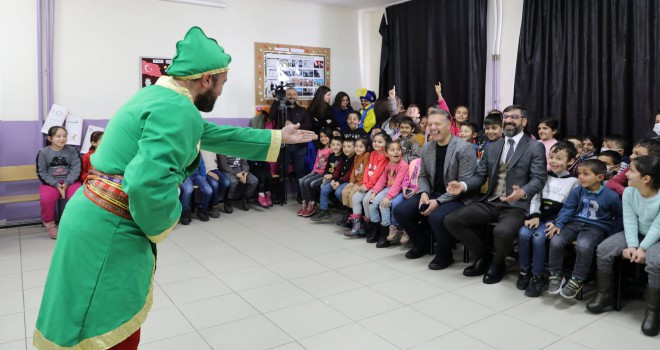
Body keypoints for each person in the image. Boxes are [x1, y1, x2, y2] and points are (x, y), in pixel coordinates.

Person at [33, 27, 316, 350]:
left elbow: (206, 132)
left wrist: (276, 137)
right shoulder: (176, 108)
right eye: (222, 83)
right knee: (102, 329)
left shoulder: (159, 96)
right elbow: (145, 183)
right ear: (206, 79)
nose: (222, 91)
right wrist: (165, 219)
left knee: (78, 316)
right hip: (109, 228)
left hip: (92, 213)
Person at [444, 105, 547, 284]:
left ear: (523, 121)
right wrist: (462, 185)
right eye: (505, 117)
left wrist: (523, 192)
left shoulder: (534, 147)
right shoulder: (493, 146)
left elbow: (539, 179)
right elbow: (479, 175)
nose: (508, 120)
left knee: (501, 232)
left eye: (513, 117)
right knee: (451, 220)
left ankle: (498, 264)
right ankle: (484, 256)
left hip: (516, 206)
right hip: (491, 201)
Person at [393, 109, 476, 268]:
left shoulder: (464, 148)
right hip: (432, 192)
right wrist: (424, 193)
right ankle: (421, 243)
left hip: (458, 197)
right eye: (430, 124)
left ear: (449, 126)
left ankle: (445, 255)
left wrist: (438, 201)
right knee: (400, 211)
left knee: (436, 216)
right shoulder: (428, 147)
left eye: (437, 123)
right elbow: (422, 176)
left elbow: (465, 183)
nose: (432, 127)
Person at [588, 156, 660, 336]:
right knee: (604, 249)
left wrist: (642, 249)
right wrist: (633, 245)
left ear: (646, 178)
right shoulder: (629, 192)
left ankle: (653, 312)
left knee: (655, 262)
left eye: (632, 171)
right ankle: (604, 295)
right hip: (637, 234)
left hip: (657, 237)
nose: (626, 174)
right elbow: (629, 220)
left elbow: (658, 227)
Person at [545, 159, 623, 298]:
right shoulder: (578, 190)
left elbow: (619, 217)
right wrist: (559, 224)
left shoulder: (611, 196)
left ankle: (578, 279)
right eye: (579, 173)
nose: (580, 177)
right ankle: (555, 274)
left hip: (596, 227)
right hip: (574, 223)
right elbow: (568, 208)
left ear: (599, 177)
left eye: (585, 174)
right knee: (556, 240)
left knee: (584, 245)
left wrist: (610, 235)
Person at [516, 141, 579, 297]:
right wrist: (535, 216)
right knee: (524, 233)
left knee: (538, 238)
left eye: (559, 158)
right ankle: (524, 271)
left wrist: (557, 223)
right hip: (539, 217)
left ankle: (538, 276)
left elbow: (570, 208)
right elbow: (535, 198)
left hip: (555, 220)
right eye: (551, 157)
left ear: (570, 161)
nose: (554, 162)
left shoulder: (574, 182)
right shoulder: (543, 176)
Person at [36, 126, 83, 239]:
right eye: (58, 136)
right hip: (51, 183)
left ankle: (76, 222)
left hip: (70, 181)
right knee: (46, 199)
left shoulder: (72, 150)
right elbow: (41, 172)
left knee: (79, 196)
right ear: (50, 138)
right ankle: (49, 223)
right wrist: (56, 185)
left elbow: (76, 168)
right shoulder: (43, 153)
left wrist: (66, 183)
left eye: (65, 136)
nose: (62, 139)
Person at [270, 87, 313, 202]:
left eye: (294, 94)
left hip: (300, 146)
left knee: (300, 171)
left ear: (297, 95)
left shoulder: (303, 110)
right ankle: (280, 196)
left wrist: (295, 125)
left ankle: (301, 196)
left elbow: (308, 125)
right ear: (285, 95)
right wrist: (275, 101)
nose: (292, 96)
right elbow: (271, 117)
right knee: (281, 170)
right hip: (284, 144)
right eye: (289, 94)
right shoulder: (280, 108)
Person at [368, 140, 409, 248]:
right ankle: (376, 229)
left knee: (383, 204)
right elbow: (382, 180)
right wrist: (374, 192)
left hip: (397, 190)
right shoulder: (388, 164)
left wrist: (387, 197)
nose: (396, 152)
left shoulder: (403, 165)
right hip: (388, 189)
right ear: (386, 154)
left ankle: (385, 233)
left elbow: (398, 183)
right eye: (392, 150)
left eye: (398, 149)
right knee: (372, 204)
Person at [350, 132, 390, 239]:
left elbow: (378, 174)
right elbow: (368, 169)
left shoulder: (385, 157)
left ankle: (371, 226)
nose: (376, 144)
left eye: (380, 142)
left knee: (366, 200)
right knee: (355, 198)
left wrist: (368, 186)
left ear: (386, 144)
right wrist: (364, 183)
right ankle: (358, 226)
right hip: (368, 184)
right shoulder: (372, 154)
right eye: (375, 141)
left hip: (378, 186)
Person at [312, 138, 356, 222]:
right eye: (344, 146)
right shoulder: (343, 156)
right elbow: (337, 169)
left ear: (354, 148)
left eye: (349, 146)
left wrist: (339, 182)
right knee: (324, 188)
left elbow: (349, 173)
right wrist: (333, 179)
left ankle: (347, 211)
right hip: (337, 179)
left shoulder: (354, 158)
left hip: (346, 181)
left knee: (339, 192)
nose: (346, 148)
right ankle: (324, 210)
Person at [298, 128, 333, 217]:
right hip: (316, 171)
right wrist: (313, 171)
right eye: (321, 137)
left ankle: (312, 203)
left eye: (325, 136)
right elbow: (316, 161)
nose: (323, 138)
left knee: (309, 182)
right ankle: (305, 202)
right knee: (301, 180)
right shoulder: (320, 149)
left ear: (330, 137)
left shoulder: (331, 150)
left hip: (323, 173)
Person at [342, 138, 370, 233]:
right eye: (356, 146)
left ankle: (357, 221)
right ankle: (350, 216)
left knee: (352, 195)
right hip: (356, 181)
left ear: (366, 148)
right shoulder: (356, 156)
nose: (358, 148)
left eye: (361, 147)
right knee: (344, 191)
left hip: (361, 182)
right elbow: (354, 169)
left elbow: (366, 171)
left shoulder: (367, 155)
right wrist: (352, 181)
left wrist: (359, 184)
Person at [179, 154, 213, 223]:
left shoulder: (196, 148)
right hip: (184, 175)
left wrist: (203, 177)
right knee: (188, 189)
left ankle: (202, 208)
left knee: (208, 190)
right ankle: (185, 211)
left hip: (196, 174)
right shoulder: (179, 148)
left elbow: (201, 164)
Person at [201, 150, 229, 218]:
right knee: (214, 184)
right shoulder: (199, 147)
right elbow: (200, 166)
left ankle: (214, 200)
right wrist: (209, 172)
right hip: (205, 171)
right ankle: (214, 206)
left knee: (226, 182)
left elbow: (215, 160)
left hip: (214, 169)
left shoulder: (212, 146)